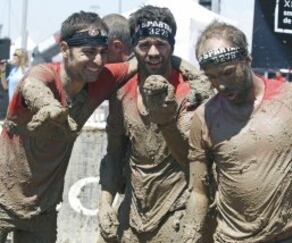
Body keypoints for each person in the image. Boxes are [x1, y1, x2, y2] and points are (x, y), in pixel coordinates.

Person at [181, 21, 292, 243]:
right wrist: (189, 236)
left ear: (247, 60)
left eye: (228, 73)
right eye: (212, 77)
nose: (221, 85)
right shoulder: (205, 116)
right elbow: (198, 192)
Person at [0, 11, 140, 243]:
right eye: (88, 52)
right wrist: (49, 106)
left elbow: (143, 60)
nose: (97, 60)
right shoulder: (45, 74)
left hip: (41, 210)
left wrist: (193, 71)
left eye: (102, 52)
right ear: (64, 49)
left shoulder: (100, 79)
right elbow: (32, 84)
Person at [98, 5, 214, 243]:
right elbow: (114, 153)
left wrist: (167, 122)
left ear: (171, 46)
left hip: (177, 208)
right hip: (134, 209)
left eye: (161, 44)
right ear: (133, 48)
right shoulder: (122, 93)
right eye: (144, 45)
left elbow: (193, 161)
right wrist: (104, 203)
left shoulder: (189, 92)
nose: (153, 52)